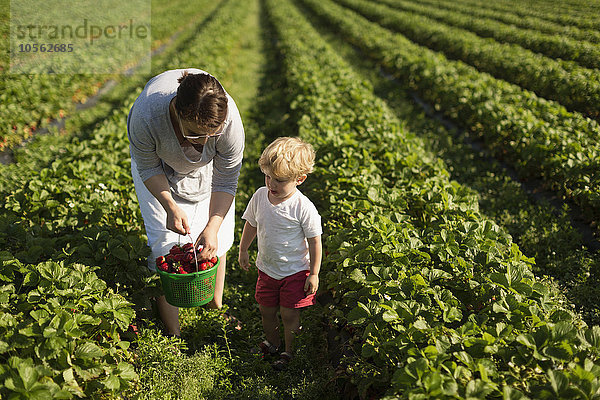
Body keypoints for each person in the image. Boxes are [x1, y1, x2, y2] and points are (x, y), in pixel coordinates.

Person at [127, 68, 245, 337]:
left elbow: (226, 181)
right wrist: (169, 205)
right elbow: (147, 167)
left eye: (211, 136)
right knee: (164, 242)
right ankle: (174, 332)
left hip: (206, 169)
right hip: (158, 168)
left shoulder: (227, 123)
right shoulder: (146, 116)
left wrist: (212, 227)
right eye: (196, 134)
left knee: (219, 238)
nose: (204, 142)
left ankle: (216, 307)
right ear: (179, 115)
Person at [238, 137, 322, 370]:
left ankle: (288, 351)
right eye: (268, 177)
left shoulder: (303, 207)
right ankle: (272, 342)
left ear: (300, 179)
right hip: (267, 268)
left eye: (279, 180)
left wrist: (313, 273)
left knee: (289, 315)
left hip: (295, 271)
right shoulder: (259, 196)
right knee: (266, 310)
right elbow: (251, 224)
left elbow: (315, 242)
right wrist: (243, 248)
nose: (271, 184)